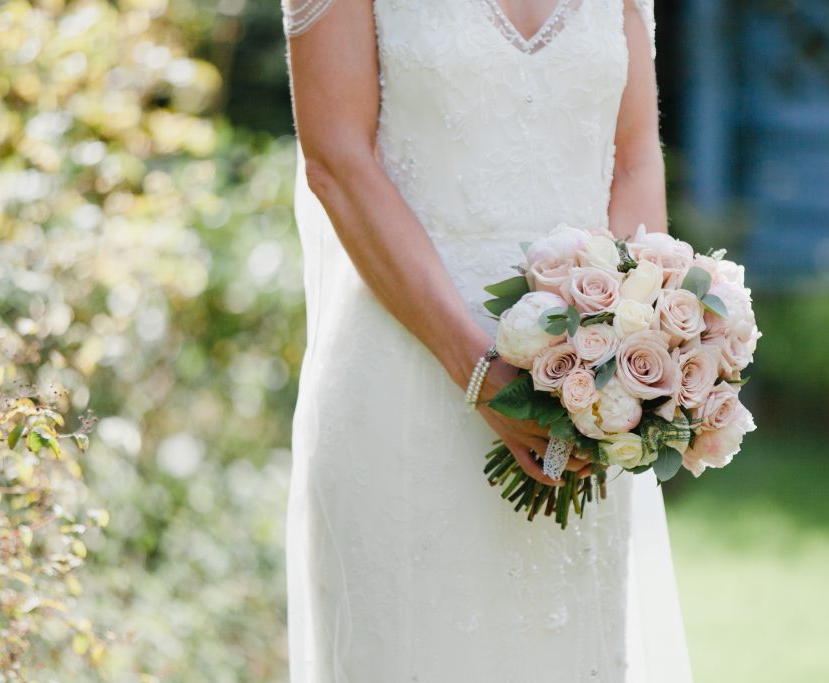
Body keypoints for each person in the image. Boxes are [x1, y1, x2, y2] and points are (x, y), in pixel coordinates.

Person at [282, 0, 693, 680]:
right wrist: (476, 368)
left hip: (575, 397)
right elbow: (337, 160)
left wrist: (621, 354)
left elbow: (634, 161)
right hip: (405, 385)